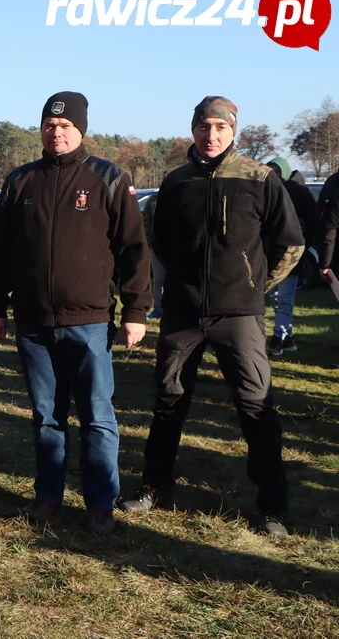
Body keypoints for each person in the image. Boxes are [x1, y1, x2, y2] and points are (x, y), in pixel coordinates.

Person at [119, 96, 304, 538]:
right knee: (168, 402)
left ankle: (273, 506)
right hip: (183, 314)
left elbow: (291, 245)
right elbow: (157, 240)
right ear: (193, 129)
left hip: (239, 316)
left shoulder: (259, 179)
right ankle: (155, 486)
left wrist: (254, 286)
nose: (211, 135)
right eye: (204, 126)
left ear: (233, 130)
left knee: (256, 407)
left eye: (220, 127)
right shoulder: (176, 183)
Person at [0, 91, 151, 535]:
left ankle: (100, 503)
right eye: (49, 125)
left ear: (81, 130)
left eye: (65, 126)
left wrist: (136, 310)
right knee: (46, 415)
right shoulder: (20, 182)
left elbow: (134, 250)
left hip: (90, 321)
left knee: (97, 415)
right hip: (33, 323)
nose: (56, 132)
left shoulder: (108, 178)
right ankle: (48, 497)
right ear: (41, 129)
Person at [265, 157, 319, 355]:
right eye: (271, 172)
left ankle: (278, 338)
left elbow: (314, 221)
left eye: (277, 172)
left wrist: (302, 244)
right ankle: (288, 340)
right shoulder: (266, 191)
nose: (274, 176)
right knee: (276, 296)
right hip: (269, 252)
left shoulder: (298, 193)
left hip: (290, 252)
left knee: (284, 297)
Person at [142, 193, 165, 320]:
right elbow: (145, 221)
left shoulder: (180, 195)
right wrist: (149, 242)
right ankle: (158, 309)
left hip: (176, 247)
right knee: (158, 279)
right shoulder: (153, 199)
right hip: (156, 246)